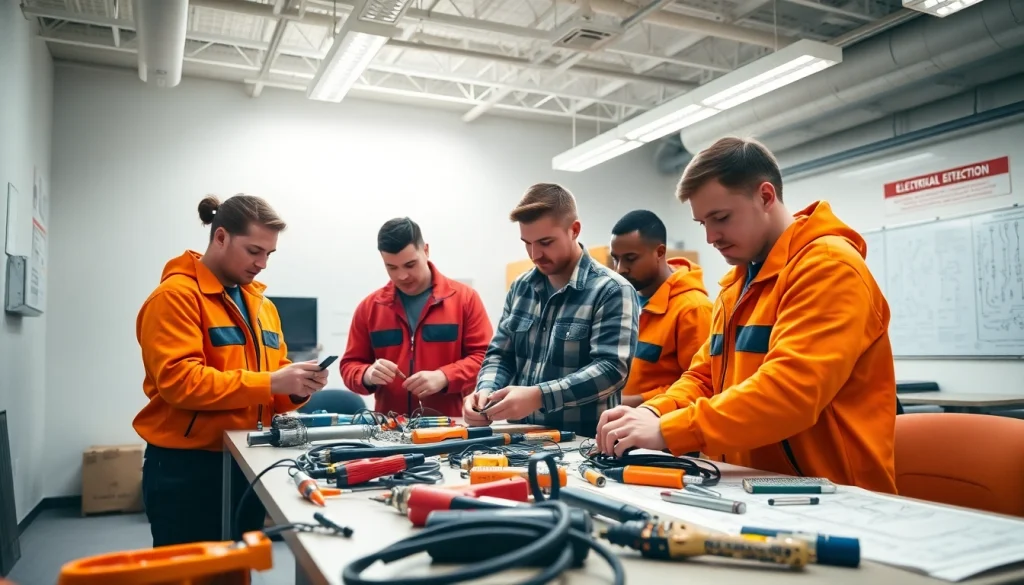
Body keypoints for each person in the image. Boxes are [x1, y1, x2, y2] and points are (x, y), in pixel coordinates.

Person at [596, 137, 898, 494]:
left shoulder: (828, 268)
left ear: (766, 197)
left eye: (720, 218)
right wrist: (655, 412)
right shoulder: (736, 286)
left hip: (833, 496)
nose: (710, 236)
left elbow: (789, 393)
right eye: (702, 223)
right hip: (750, 487)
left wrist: (669, 430)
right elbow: (705, 377)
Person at [133, 195, 329, 546]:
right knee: (189, 575)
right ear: (220, 237)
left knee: (237, 571)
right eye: (254, 250)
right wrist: (272, 380)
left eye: (269, 254)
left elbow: (269, 392)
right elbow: (180, 383)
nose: (262, 263)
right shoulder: (175, 297)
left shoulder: (262, 306)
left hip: (246, 461)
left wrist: (297, 387)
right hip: (188, 468)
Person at [464, 183, 639, 438]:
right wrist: (485, 393)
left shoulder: (612, 290)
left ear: (574, 230)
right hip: (521, 440)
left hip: (584, 445)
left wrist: (539, 396)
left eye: (545, 242)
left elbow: (611, 370)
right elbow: (500, 355)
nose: (535, 254)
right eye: (527, 243)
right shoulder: (521, 287)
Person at [340, 218, 493, 417]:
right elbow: (350, 365)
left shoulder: (465, 299)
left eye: (410, 264)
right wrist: (367, 375)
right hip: (390, 431)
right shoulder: (369, 308)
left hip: (451, 427)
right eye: (392, 267)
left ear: (426, 250)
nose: (402, 275)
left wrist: (444, 377)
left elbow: (485, 359)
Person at [608, 210, 712, 408]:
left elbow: (703, 386)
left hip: (663, 431)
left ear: (660, 252)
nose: (620, 268)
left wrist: (630, 403)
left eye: (630, 258)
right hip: (623, 426)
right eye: (616, 258)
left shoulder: (694, 309)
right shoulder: (625, 303)